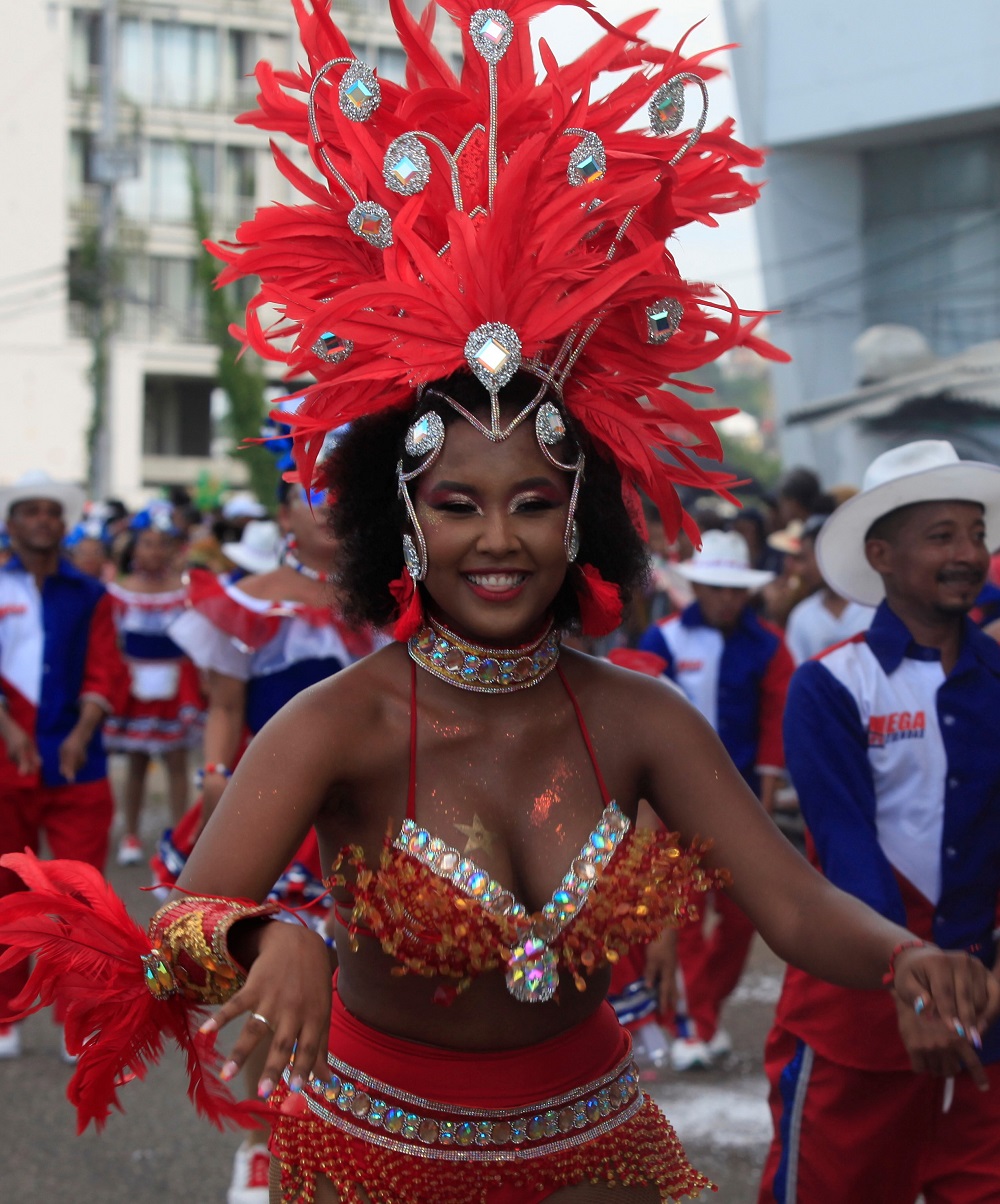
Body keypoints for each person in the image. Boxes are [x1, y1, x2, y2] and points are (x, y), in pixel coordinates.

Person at [0, 8, 996, 1204]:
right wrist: (270, 936)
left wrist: (907, 955)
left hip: (600, 1151)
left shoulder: (640, 718)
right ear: (403, 522)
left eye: (532, 501)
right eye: (457, 504)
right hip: (375, 1156)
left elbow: (791, 902)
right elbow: (177, 929)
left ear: (580, 518)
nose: (497, 539)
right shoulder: (339, 721)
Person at [758, 440, 1000, 1204]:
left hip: (989, 1016)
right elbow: (847, 845)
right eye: (942, 536)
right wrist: (916, 989)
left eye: (976, 534)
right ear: (881, 555)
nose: (968, 554)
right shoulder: (832, 684)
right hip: (859, 1019)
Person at [164, 481, 381, 1204]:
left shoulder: (389, 598)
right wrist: (216, 777)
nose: (331, 511)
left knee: (356, 972)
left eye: (343, 496)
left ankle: (337, 1125)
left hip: (364, 809)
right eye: (315, 498)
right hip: (275, 806)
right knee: (276, 969)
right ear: (284, 513)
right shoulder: (249, 602)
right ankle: (262, 1137)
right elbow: (225, 708)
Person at [638, 530, 793, 1069]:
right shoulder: (663, 639)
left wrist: (763, 809)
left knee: (743, 917)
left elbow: (775, 727)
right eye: (717, 588)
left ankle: (703, 1014)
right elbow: (641, 724)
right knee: (677, 914)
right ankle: (691, 1025)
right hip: (673, 803)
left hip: (743, 804)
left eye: (736, 590)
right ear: (697, 588)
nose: (727, 599)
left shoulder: (771, 645)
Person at [0, 470, 127, 1060]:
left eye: (53, 511)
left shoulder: (91, 593)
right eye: (31, 511)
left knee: (81, 895)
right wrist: (8, 728)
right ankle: (5, 1013)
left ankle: (79, 1013)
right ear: (11, 523)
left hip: (79, 765)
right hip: (6, 764)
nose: (43, 520)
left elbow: (106, 669)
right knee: (5, 894)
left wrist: (81, 732)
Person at [104, 505, 205, 867]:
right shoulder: (119, 592)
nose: (154, 551)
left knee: (177, 763)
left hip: (176, 686)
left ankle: (180, 837)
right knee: (136, 763)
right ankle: (130, 834)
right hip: (135, 686)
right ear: (134, 547)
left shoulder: (184, 592)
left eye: (162, 544)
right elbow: (111, 641)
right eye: (147, 543)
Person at [780, 513, 875, 664]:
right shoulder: (802, 616)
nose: (800, 569)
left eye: (804, 558)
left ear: (826, 553)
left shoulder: (874, 606)